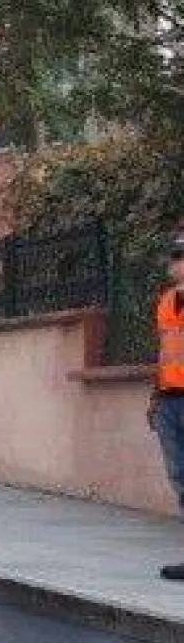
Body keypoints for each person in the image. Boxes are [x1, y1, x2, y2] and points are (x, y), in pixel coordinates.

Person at [152, 230, 184, 580]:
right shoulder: (165, 301)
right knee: (181, 479)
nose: (173, 264)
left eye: (179, 257)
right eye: (174, 257)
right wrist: (156, 394)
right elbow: (164, 351)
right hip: (170, 399)